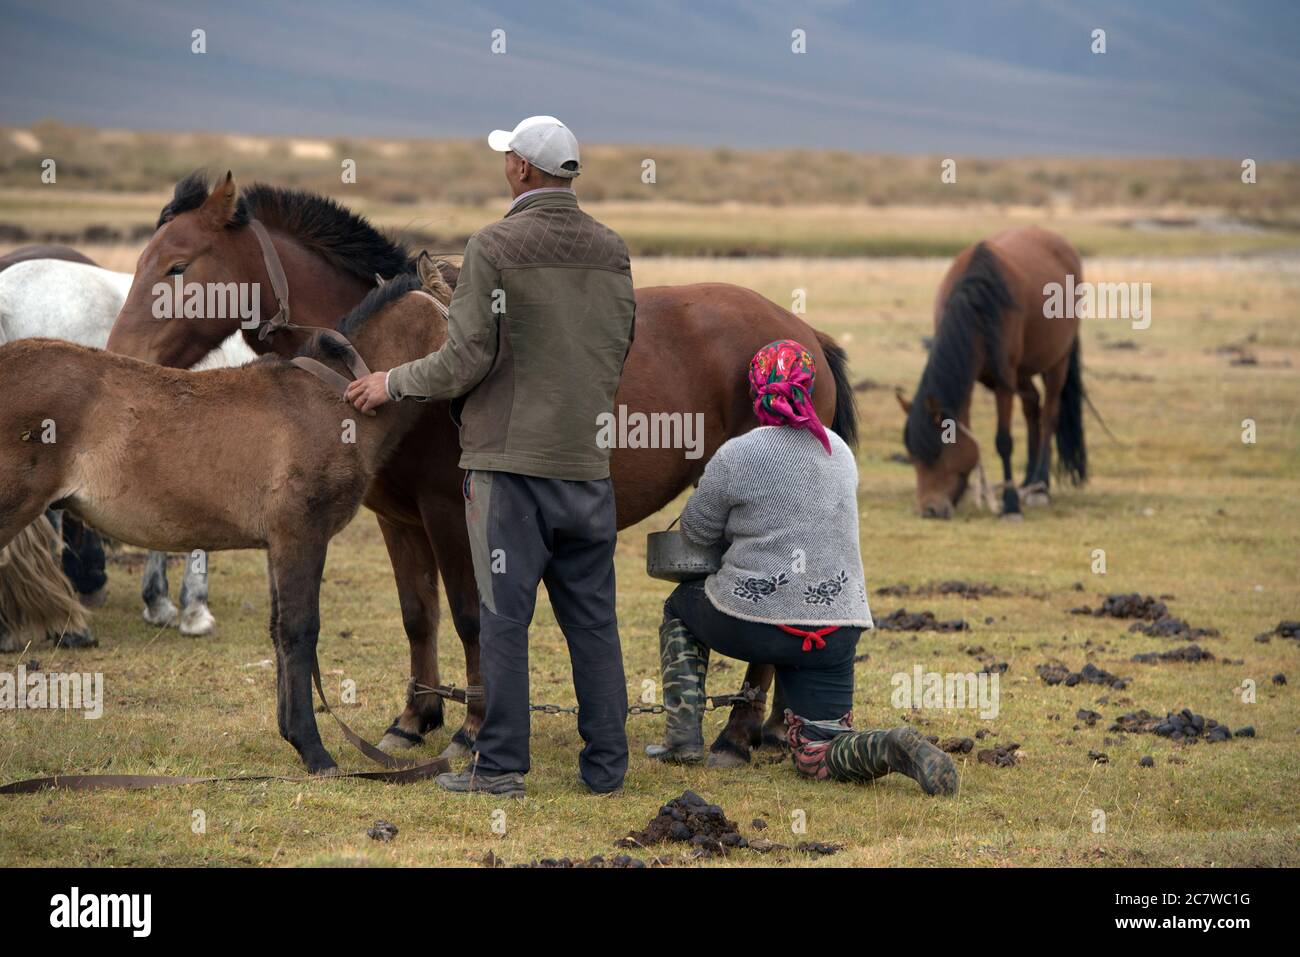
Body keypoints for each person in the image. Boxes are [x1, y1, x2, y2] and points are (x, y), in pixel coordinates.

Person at [347, 116, 636, 798]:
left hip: (509, 472)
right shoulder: (612, 248)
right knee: (594, 621)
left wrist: (390, 381)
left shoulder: (494, 245)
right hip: (588, 469)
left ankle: (501, 765)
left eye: (510, 155)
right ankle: (606, 768)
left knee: (505, 617)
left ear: (522, 171)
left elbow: (463, 360)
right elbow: (616, 345)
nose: (506, 162)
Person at [648, 339, 958, 796]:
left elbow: (694, 533)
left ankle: (682, 739)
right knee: (818, 755)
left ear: (756, 391)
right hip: (834, 630)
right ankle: (891, 746)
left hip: (753, 622)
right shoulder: (840, 453)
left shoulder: (736, 455)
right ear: (808, 390)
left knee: (679, 607)